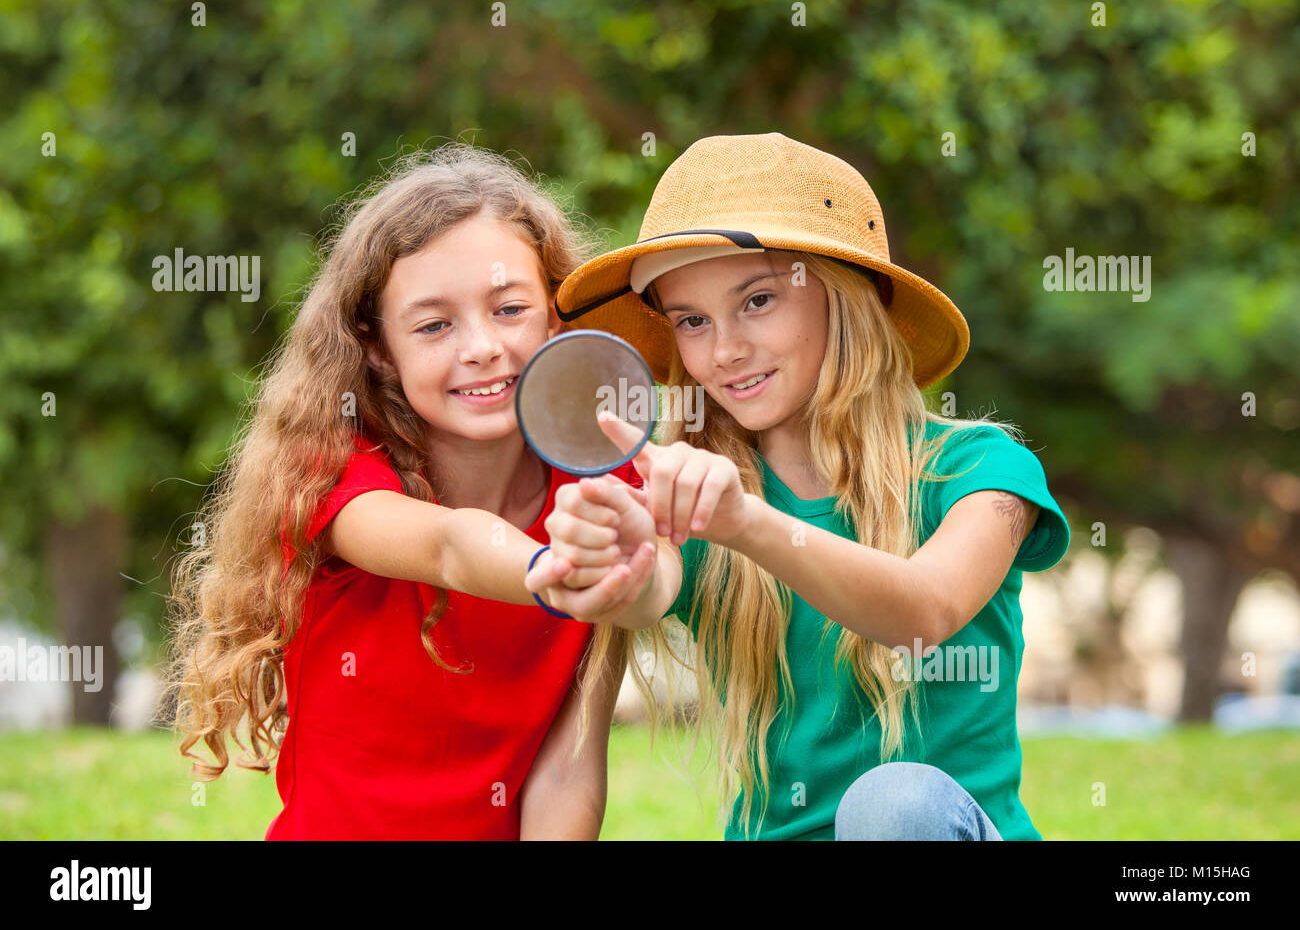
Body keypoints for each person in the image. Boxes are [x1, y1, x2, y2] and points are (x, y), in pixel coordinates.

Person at [527, 132, 1071, 840]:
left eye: (757, 300)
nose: (723, 350)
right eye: (691, 320)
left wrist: (747, 523)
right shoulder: (689, 496)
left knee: (893, 806)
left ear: (844, 297)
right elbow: (647, 587)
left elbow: (924, 612)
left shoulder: (981, 469)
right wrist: (612, 554)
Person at [164, 144, 650, 840]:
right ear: (378, 347)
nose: (481, 346)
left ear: (556, 314)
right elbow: (451, 547)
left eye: (509, 308)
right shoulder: (332, 472)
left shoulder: (598, 483)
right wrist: (557, 570)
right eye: (434, 325)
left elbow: (570, 765)